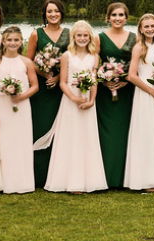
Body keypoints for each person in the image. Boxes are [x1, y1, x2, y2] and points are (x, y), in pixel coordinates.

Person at [34, 20, 108, 193]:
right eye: (79, 35)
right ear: (73, 37)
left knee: (87, 139)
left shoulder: (94, 56)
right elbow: (63, 82)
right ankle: (69, 181)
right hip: (70, 102)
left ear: (90, 37)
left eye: (85, 35)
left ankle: (90, 180)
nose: (82, 38)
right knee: (70, 138)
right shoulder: (67, 55)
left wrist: (91, 101)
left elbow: (94, 80)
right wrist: (73, 98)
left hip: (87, 103)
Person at [0, 25, 39, 194]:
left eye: (16, 40)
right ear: (3, 41)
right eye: (9, 40)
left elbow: (35, 86)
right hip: (4, 106)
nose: (12, 43)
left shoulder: (26, 62)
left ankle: (24, 182)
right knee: (5, 142)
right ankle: (6, 182)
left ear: (21, 41)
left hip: (22, 106)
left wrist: (22, 96)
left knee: (22, 141)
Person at [123, 14, 154, 192]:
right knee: (146, 135)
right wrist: (151, 91)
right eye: (146, 26)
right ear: (141, 29)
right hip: (144, 95)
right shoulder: (139, 48)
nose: (150, 29)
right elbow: (131, 75)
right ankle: (145, 180)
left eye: (153, 26)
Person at [26, 0, 70, 189]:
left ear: (62, 13)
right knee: (40, 127)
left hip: (62, 89)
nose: (53, 14)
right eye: (49, 11)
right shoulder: (36, 34)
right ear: (44, 14)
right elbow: (28, 62)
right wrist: (45, 74)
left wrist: (59, 76)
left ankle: (59, 175)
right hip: (42, 90)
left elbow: (74, 60)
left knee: (62, 131)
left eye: (57, 11)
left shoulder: (70, 34)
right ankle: (38, 176)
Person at [97, 2, 137, 189]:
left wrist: (127, 80)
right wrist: (103, 80)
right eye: (114, 15)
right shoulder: (100, 38)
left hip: (128, 91)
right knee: (107, 133)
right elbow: (92, 63)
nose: (117, 18)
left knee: (127, 131)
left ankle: (125, 177)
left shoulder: (135, 38)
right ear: (108, 18)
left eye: (121, 15)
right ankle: (106, 176)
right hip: (106, 94)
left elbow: (140, 64)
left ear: (126, 18)